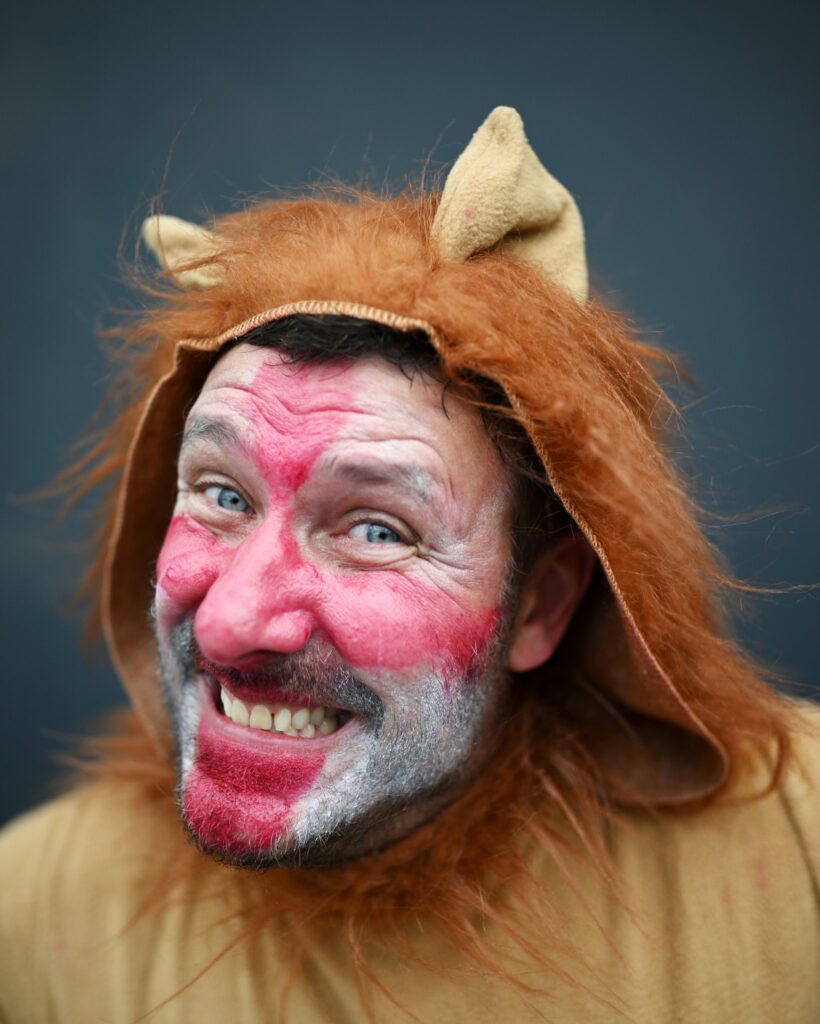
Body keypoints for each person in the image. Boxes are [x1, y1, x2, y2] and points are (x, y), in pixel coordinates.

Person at [1, 106, 817, 1022]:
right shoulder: (27, 918)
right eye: (222, 497)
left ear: (542, 605)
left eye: (377, 530)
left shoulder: (803, 852)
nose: (231, 621)